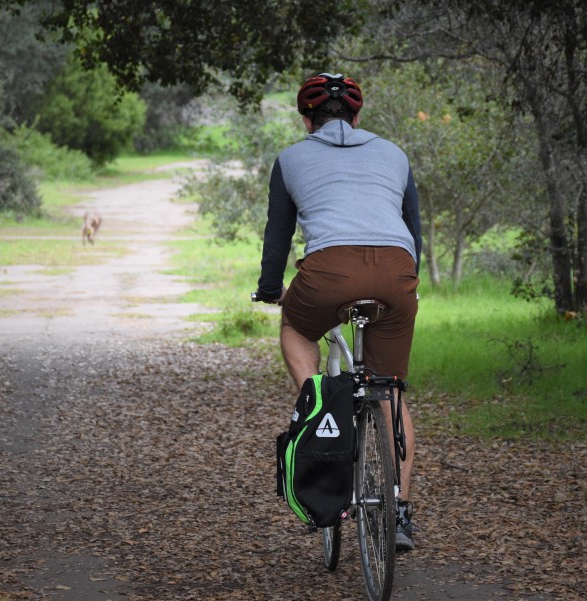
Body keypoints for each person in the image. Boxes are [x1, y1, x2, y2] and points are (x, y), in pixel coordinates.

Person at [254, 73, 421, 552]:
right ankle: (400, 510)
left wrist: (271, 290)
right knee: (391, 394)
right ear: (357, 116)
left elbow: (278, 235)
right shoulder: (395, 155)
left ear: (307, 120)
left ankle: (321, 408)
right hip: (397, 271)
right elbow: (414, 229)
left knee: (296, 330)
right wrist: (409, 284)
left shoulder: (290, 158)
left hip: (329, 271)